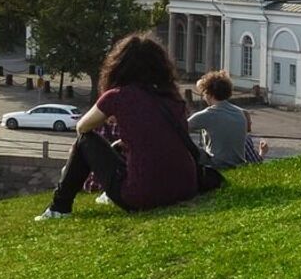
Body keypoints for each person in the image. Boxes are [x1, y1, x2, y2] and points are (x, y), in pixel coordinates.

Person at [36, 33, 201, 220]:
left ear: (118, 66)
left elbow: (82, 127)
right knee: (124, 146)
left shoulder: (118, 96)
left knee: (86, 141)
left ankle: (59, 207)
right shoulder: (172, 97)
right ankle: (102, 195)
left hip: (142, 196)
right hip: (186, 187)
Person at [189, 70, 264, 169]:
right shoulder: (239, 113)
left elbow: (180, 128)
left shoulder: (207, 114)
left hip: (216, 164)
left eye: (204, 94)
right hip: (239, 165)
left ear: (209, 94)